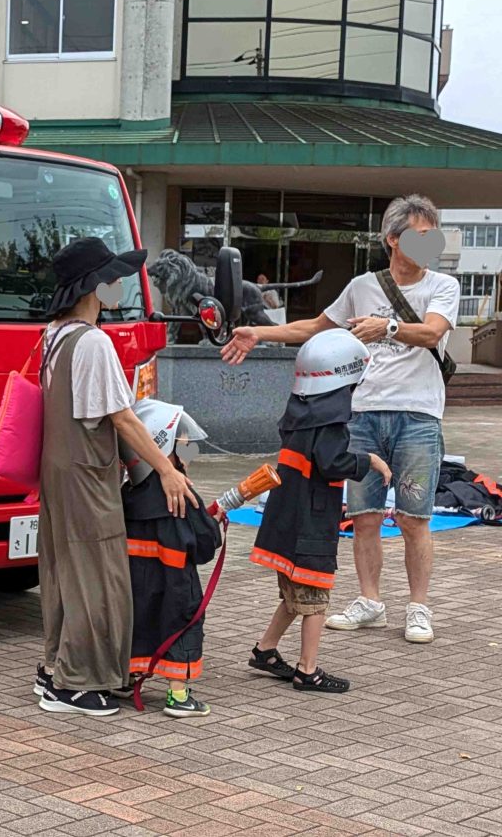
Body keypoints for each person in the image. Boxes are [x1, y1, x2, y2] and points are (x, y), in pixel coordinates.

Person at [222, 195, 460, 644]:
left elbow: (431, 331)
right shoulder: (362, 285)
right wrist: (260, 333)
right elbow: (315, 328)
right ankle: (370, 601)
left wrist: (385, 328)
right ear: (393, 239)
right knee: (364, 516)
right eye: (420, 236)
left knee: (415, 518)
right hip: (362, 413)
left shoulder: (443, 285)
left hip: (418, 415)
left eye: (433, 236)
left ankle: (419, 607)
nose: (430, 244)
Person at [34, 238, 196, 717]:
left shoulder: (53, 335)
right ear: (94, 286)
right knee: (99, 576)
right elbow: (122, 418)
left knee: (63, 570)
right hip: (87, 472)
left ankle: (56, 667)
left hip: (56, 468)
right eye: (114, 276)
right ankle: (76, 682)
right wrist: (166, 468)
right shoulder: (93, 342)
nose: (122, 284)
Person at [247, 330, 391, 692]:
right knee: (315, 599)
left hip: (286, 519)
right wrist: (368, 460)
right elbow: (331, 462)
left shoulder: (300, 412)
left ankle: (265, 651)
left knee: (296, 596)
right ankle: (307, 670)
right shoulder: (330, 420)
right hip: (309, 526)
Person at [118, 399, 222, 718]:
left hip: (136, 585)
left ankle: (127, 677)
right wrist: (213, 524)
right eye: (184, 445)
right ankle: (178, 696)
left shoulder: (126, 495)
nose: (189, 452)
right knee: (181, 629)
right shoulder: (181, 494)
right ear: (164, 448)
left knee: (140, 625)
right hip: (177, 585)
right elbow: (205, 545)